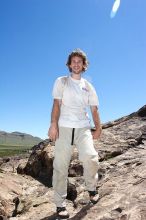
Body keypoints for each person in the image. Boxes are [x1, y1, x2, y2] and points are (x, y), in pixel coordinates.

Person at [48, 48, 102, 219]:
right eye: (74, 61)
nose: (76, 64)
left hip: (83, 127)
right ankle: (60, 205)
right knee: (60, 166)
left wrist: (98, 127)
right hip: (63, 127)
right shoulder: (61, 81)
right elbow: (56, 104)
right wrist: (53, 125)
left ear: (84, 65)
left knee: (91, 157)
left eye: (80, 62)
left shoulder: (88, 86)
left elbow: (94, 109)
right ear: (69, 64)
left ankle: (92, 188)